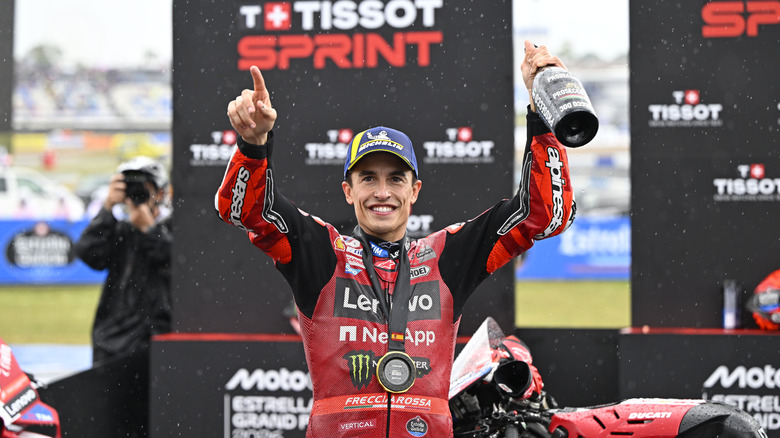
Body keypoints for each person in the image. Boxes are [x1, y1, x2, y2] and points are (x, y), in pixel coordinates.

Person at [215, 41, 576, 437]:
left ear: (414, 190)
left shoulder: (446, 256)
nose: (382, 192)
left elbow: (540, 215)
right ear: (348, 191)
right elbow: (244, 210)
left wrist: (542, 111)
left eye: (395, 179)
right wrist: (253, 146)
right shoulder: (322, 254)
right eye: (368, 178)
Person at [75, 156, 172, 365]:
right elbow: (89, 253)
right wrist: (108, 207)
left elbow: (175, 264)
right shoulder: (119, 229)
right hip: (113, 339)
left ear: (160, 192)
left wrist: (149, 231)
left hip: (157, 338)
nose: (136, 195)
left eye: (142, 188)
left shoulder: (172, 228)